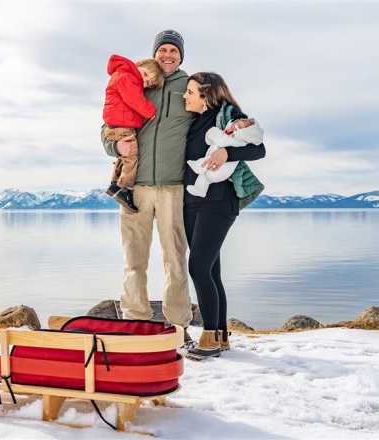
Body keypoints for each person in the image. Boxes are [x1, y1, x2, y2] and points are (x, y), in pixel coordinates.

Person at [101, 30, 195, 344]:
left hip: (173, 188)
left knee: (175, 259)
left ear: (181, 56)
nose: (167, 55)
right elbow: (108, 125)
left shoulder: (190, 87)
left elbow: (212, 120)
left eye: (174, 51)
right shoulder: (139, 80)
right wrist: (117, 150)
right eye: (163, 50)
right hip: (135, 189)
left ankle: (178, 329)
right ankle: (134, 325)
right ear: (155, 53)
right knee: (134, 259)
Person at [182, 72, 266, 360]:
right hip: (191, 202)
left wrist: (226, 156)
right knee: (211, 271)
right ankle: (220, 336)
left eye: (190, 92)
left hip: (218, 202)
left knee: (198, 268)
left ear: (206, 94)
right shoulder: (193, 122)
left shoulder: (227, 115)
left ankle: (209, 337)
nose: (185, 96)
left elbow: (259, 148)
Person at [103, 55, 164, 212]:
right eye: (145, 75)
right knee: (131, 158)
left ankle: (114, 184)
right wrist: (150, 111)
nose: (144, 82)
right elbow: (135, 100)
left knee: (125, 158)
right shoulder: (126, 77)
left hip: (120, 124)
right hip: (120, 125)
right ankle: (124, 188)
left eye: (148, 83)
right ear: (137, 65)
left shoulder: (126, 76)